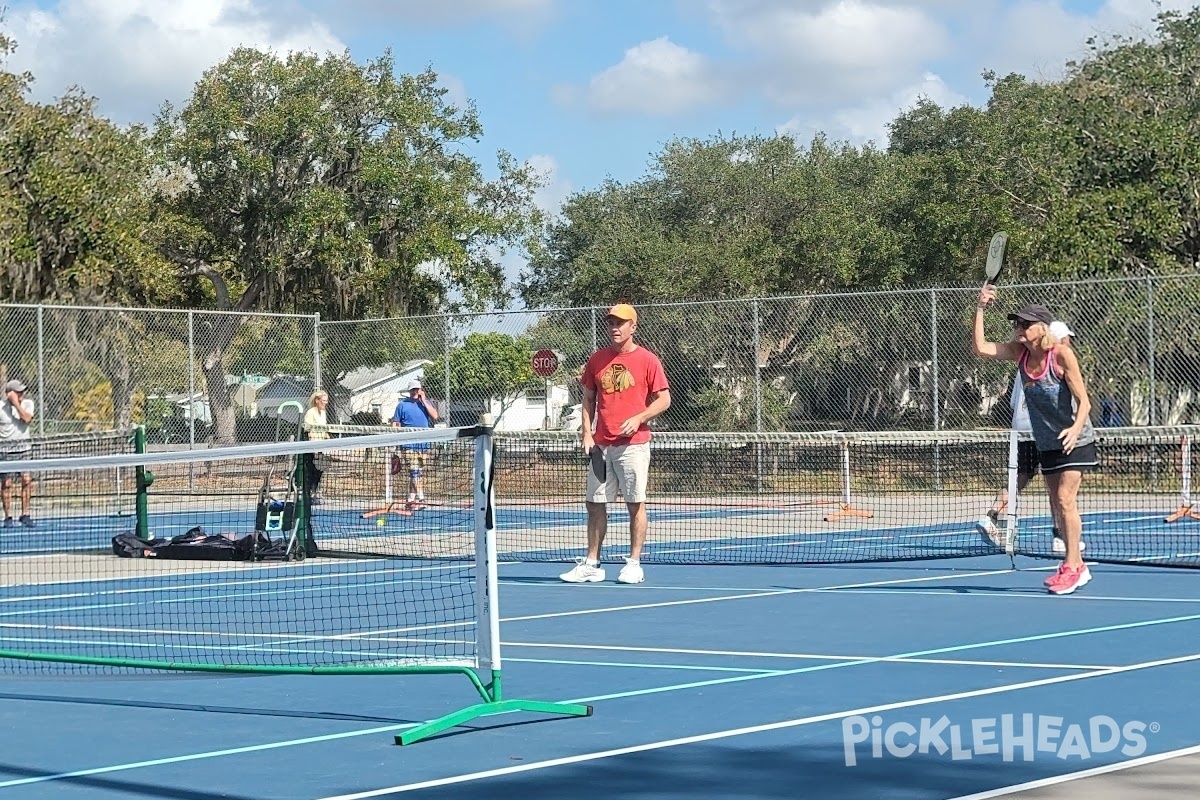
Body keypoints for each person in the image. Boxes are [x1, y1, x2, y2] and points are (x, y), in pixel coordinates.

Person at [972, 288, 1098, 595]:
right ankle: (1076, 565)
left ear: (1041, 327)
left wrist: (1074, 429)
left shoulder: (1062, 355)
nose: (1019, 330)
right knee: (1057, 503)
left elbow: (1084, 402)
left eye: (1024, 324)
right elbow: (981, 348)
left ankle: (1072, 567)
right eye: (1017, 325)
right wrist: (979, 308)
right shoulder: (1020, 354)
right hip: (1047, 442)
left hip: (1075, 439)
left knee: (1066, 500)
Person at [560, 303, 671, 585]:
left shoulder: (648, 360)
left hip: (634, 445)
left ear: (633, 327)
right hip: (600, 447)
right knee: (594, 504)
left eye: (621, 323)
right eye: (611, 322)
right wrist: (587, 434)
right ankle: (592, 564)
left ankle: (634, 563)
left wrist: (640, 418)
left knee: (635, 504)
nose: (615, 327)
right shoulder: (597, 360)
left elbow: (664, 400)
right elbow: (588, 399)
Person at [976, 320, 1086, 556]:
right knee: (1057, 489)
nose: (1068, 342)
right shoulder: (1052, 362)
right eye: (1065, 338)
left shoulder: (1025, 364)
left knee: (1020, 478)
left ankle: (993, 515)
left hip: (1022, 430)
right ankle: (1060, 536)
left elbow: (1015, 401)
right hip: (1046, 432)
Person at [391, 378, 439, 509]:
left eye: (417, 389)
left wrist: (424, 401)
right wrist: (394, 441)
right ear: (409, 390)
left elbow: (435, 416)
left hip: (423, 444)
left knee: (418, 472)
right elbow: (395, 423)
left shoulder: (425, 403)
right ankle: (421, 498)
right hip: (408, 443)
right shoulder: (402, 405)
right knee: (414, 471)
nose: (415, 391)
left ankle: (410, 500)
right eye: (413, 389)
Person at [0, 379, 36, 528]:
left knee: (26, 480)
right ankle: (8, 516)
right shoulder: (1, 407)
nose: (22, 393)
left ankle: (25, 514)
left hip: (24, 449)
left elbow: (27, 418)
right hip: (5, 450)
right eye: (18, 391)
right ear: (10, 393)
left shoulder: (28, 404)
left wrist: (16, 404)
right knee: (6, 484)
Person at [302, 390, 329, 505]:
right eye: (323, 401)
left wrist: (327, 438)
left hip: (321, 446)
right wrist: (314, 447)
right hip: (312, 448)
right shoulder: (310, 412)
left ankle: (314, 492)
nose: (325, 403)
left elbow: (324, 428)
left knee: (320, 471)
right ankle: (308, 494)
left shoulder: (323, 412)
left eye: (326, 401)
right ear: (317, 401)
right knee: (311, 471)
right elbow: (308, 429)